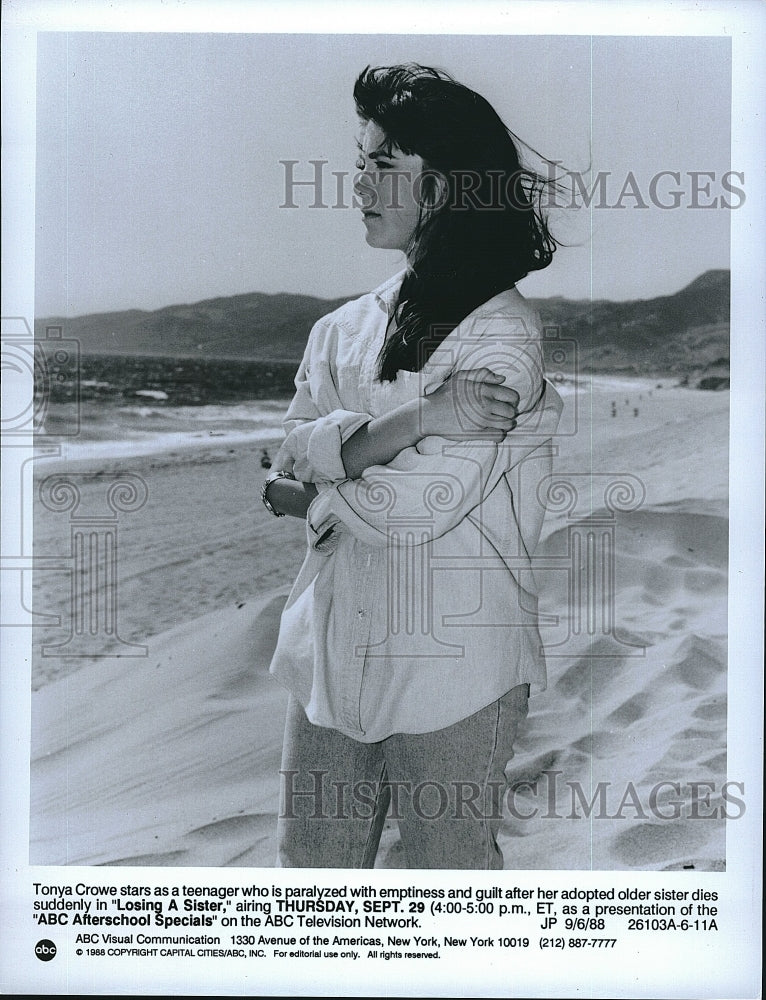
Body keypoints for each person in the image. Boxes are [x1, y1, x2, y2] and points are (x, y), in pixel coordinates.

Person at [262, 64, 564, 869]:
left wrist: (320, 485)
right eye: (358, 162)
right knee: (307, 906)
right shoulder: (338, 331)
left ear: (447, 186)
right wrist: (418, 419)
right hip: (327, 663)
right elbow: (281, 464)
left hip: (456, 675)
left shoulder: (501, 335)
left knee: (451, 907)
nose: (358, 184)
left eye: (384, 166)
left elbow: (410, 507)